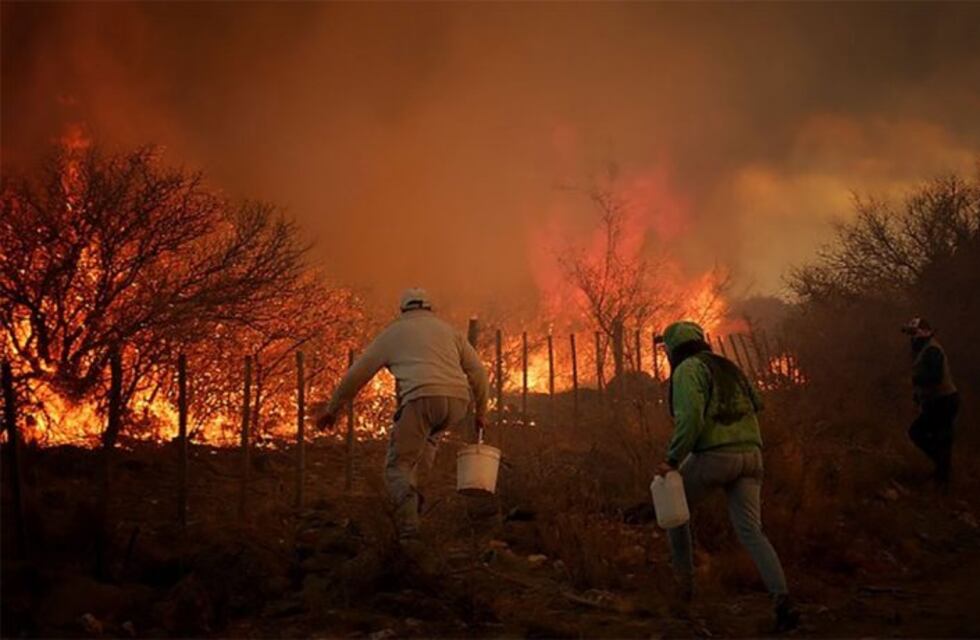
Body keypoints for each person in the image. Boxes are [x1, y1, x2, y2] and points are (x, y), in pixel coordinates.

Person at [315, 288, 489, 550]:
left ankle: (409, 531)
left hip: (420, 399)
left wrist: (333, 408)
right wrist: (481, 413)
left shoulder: (393, 333)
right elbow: (478, 372)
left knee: (397, 466)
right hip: (457, 403)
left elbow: (358, 374)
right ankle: (419, 510)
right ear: (429, 308)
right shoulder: (449, 331)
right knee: (422, 457)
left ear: (403, 310)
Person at [655, 321, 798, 632]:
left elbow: (690, 418)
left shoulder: (687, 370)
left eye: (666, 347)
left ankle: (684, 591)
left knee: (675, 512)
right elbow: (757, 402)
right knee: (752, 531)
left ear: (674, 347)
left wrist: (672, 459)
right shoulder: (728, 366)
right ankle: (782, 601)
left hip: (715, 456)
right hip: (752, 457)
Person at [902, 317, 959, 489]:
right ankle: (942, 473)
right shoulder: (924, 349)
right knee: (936, 437)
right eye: (910, 333)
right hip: (938, 401)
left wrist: (915, 381)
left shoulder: (932, 350)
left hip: (944, 401)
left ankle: (943, 474)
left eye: (913, 333)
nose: (911, 337)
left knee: (920, 433)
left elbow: (934, 377)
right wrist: (918, 397)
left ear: (924, 332)